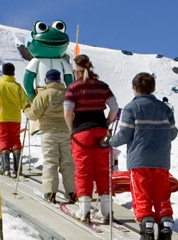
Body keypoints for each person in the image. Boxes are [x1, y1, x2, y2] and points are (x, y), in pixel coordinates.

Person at [106, 73, 177, 240]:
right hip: (161, 160)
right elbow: (172, 133)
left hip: (139, 160)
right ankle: (166, 225)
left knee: (142, 195)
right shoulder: (165, 109)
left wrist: (109, 142)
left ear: (135, 88)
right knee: (162, 195)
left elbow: (124, 135)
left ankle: (147, 228)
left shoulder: (131, 108)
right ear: (153, 88)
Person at [63, 54, 119, 222]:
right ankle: (106, 211)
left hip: (81, 132)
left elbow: (67, 112)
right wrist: (107, 123)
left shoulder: (73, 88)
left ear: (76, 71)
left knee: (83, 170)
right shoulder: (102, 86)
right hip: (101, 130)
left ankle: (84, 210)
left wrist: (72, 129)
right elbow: (114, 107)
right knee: (103, 169)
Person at [25, 70, 76, 203]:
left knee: (50, 161)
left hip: (48, 132)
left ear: (47, 80)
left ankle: (50, 192)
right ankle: (72, 191)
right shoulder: (68, 94)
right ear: (59, 79)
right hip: (65, 131)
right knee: (68, 162)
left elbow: (34, 115)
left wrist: (27, 110)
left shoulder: (43, 95)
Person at [0, 63, 28, 176]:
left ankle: (5, 167)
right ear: (13, 72)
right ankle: (17, 168)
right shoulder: (17, 86)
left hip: (1, 117)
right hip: (15, 117)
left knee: (3, 140)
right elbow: (25, 101)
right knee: (15, 139)